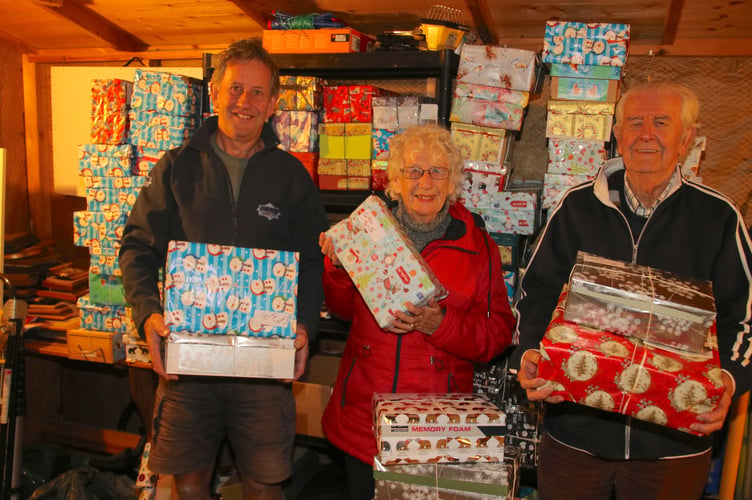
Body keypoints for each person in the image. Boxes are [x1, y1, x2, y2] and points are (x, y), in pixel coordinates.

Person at [513, 81, 752, 500]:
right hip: (574, 438)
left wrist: (730, 381)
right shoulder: (576, 207)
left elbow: (744, 317)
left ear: (686, 138)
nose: (646, 133)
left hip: (674, 444)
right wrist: (530, 352)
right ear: (617, 134)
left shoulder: (718, 217)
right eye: (634, 122)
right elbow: (536, 293)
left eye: (661, 122)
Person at [118, 38, 328, 500]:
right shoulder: (176, 167)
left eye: (257, 93)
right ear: (215, 93)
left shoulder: (292, 176)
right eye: (235, 89)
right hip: (190, 362)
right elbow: (135, 247)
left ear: (273, 104)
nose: (245, 103)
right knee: (189, 486)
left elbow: (312, 264)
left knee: (264, 485)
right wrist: (148, 314)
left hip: (264, 363)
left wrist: (305, 326)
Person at [318, 124, 516, 499]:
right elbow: (343, 311)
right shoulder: (367, 231)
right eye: (414, 171)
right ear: (395, 179)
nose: (425, 182)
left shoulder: (478, 246)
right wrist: (339, 266)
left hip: (434, 422)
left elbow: (498, 335)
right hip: (365, 414)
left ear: (453, 180)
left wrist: (441, 324)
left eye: (438, 171)